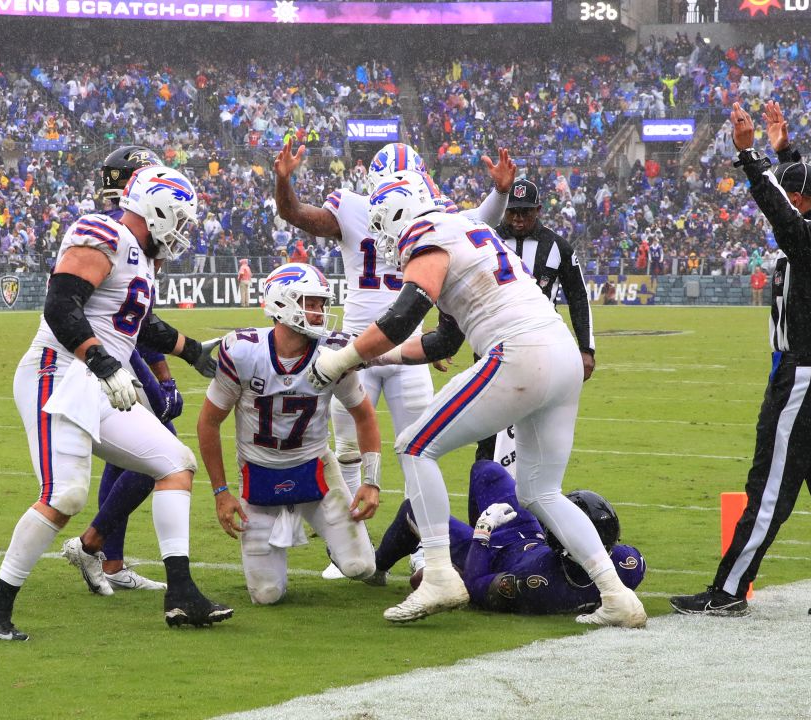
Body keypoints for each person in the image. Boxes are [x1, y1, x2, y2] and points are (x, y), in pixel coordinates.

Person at [306, 170, 646, 628]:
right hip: (560, 352)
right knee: (540, 491)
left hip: (520, 352)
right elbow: (444, 342)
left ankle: (441, 575)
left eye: (383, 224)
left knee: (413, 444)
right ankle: (616, 594)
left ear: (399, 214)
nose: (383, 237)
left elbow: (405, 314)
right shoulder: (470, 230)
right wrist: (367, 360)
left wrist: (340, 358)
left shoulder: (427, 234)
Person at [0, 164, 233, 642]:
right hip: (59, 371)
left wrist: (190, 350)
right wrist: (102, 362)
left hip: (99, 377)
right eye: (182, 219)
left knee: (175, 462)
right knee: (65, 495)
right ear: (158, 210)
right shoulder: (101, 231)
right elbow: (61, 305)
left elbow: (136, 323)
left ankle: (181, 593)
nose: (183, 231)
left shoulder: (141, 259)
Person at [670, 101, 811, 619]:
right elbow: (800, 195)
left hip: (808, 371)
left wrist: (750, 157)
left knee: (768, 485)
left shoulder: (809, 234)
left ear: (797, 199)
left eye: (790, 193)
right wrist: (783, 148)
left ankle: (727, 591)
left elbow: (785, 218)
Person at [273, 140, 514, 579]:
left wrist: (498, 195)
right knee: (349, 450)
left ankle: (424, 547)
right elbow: (296, 214)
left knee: (418, 449)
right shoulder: (354, 209)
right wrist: (283, 182)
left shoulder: (425, 217)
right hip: (357, 346)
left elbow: (473, 227)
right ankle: (351, 545)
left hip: (404, 351)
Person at [58, 146, 218, 595]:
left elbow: (141, 316)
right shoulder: (114, 234)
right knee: (159, 450)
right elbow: (127, 321)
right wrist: (161, 377)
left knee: (150, 446)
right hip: (100, 356)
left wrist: (168, 371)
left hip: (122, 345)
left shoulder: (139, 238)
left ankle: (105, 555)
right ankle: (99, 552)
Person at [196, 263, 384, 605]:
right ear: (283, 303)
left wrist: (371, 482)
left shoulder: (332, 354)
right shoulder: (243, 352)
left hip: (315, 469)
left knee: (360, 566)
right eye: (311, 303)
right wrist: (221, 492)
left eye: (321, 305)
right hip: (258, 475)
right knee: (267, 595)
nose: (320, 313)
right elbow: (208, 423)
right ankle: (289, 532)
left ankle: (331, 530)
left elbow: (364, 415)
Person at [373, 459, 646, 615]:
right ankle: (452, 559)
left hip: (490, 557)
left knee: (416, 508)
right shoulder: (628, 565)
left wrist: (481, 533)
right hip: (530, 536)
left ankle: (378, 567)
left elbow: (476, 586)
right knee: (485, 470)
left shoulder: (535, 580)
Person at [480, 178, 597, 468]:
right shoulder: (486, 241)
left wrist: (587, 349)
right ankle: (482, 503)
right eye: (512, 212)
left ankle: (533, 502)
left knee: (537, 434)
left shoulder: (557, 247)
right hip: (491, 349)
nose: (518, 220)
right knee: (486, 435)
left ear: (539, 210)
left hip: (541, 354)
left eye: (526, 213)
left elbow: (579, 298)